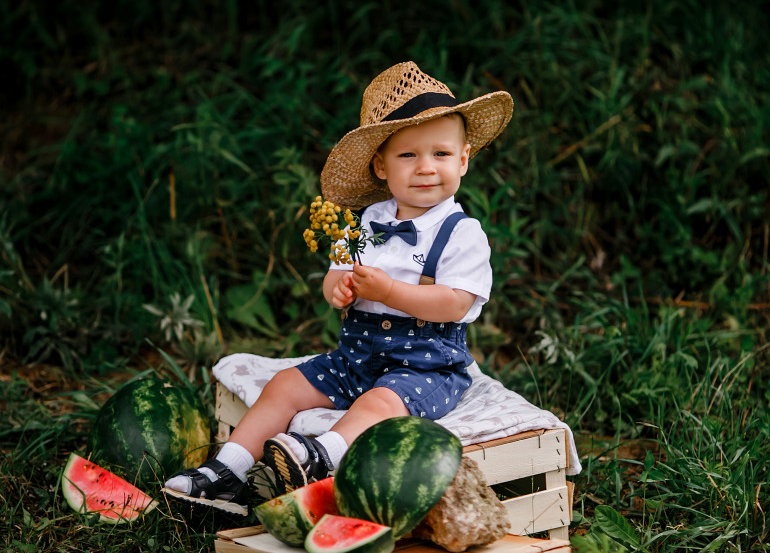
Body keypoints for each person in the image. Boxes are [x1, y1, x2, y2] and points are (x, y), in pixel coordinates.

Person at [165, 60, 513, 510]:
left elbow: (454, 303)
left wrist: (389, 292)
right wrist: (339, 290)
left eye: (441, 154)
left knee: (378, 404)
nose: (426, 167)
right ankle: (228, 468)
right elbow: (336, 276)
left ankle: (321, 455)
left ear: (463, 159)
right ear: (381, 166)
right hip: (358, 356)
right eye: (408, 155)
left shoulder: (461, 233)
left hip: (424, 367)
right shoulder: (367, 221)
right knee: (285, 385)